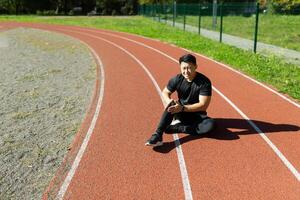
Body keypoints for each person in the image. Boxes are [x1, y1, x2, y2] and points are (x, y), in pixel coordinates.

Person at [145, 54, 215, 147]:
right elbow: (165, 92)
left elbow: (203, 105)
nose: (186, 71)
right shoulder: (177, 79)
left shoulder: (204, 82)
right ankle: (158, 135)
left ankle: (180, 128)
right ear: (180, 67)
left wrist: (182, 108)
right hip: (180, 112)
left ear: (196, 66)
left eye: (189, 68)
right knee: (171, 104)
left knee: (210, 125)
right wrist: (168, 100)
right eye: (184, 68)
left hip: (196, 114)